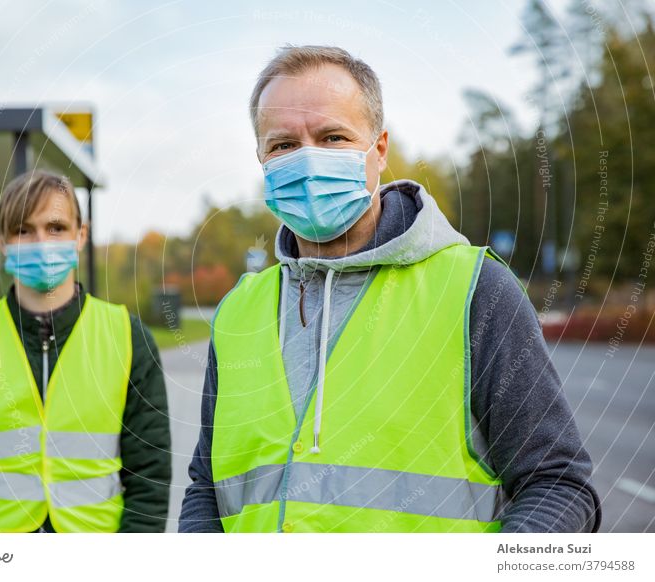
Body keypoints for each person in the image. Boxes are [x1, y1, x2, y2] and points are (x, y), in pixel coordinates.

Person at [179, 45, 601, 533]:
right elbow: (207, 488)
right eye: (283, 146)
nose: (308, 160)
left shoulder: (473, 290)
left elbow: (558, 484)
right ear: (261, 159)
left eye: (333, 137)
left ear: (378, 150)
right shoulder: (238, 312)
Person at [0, 170, 171, 533]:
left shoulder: (128, 337)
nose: (40, 242)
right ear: (2, 241)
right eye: (22, 230)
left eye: (56, 227)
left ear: (82, 235)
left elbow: (151, 482)